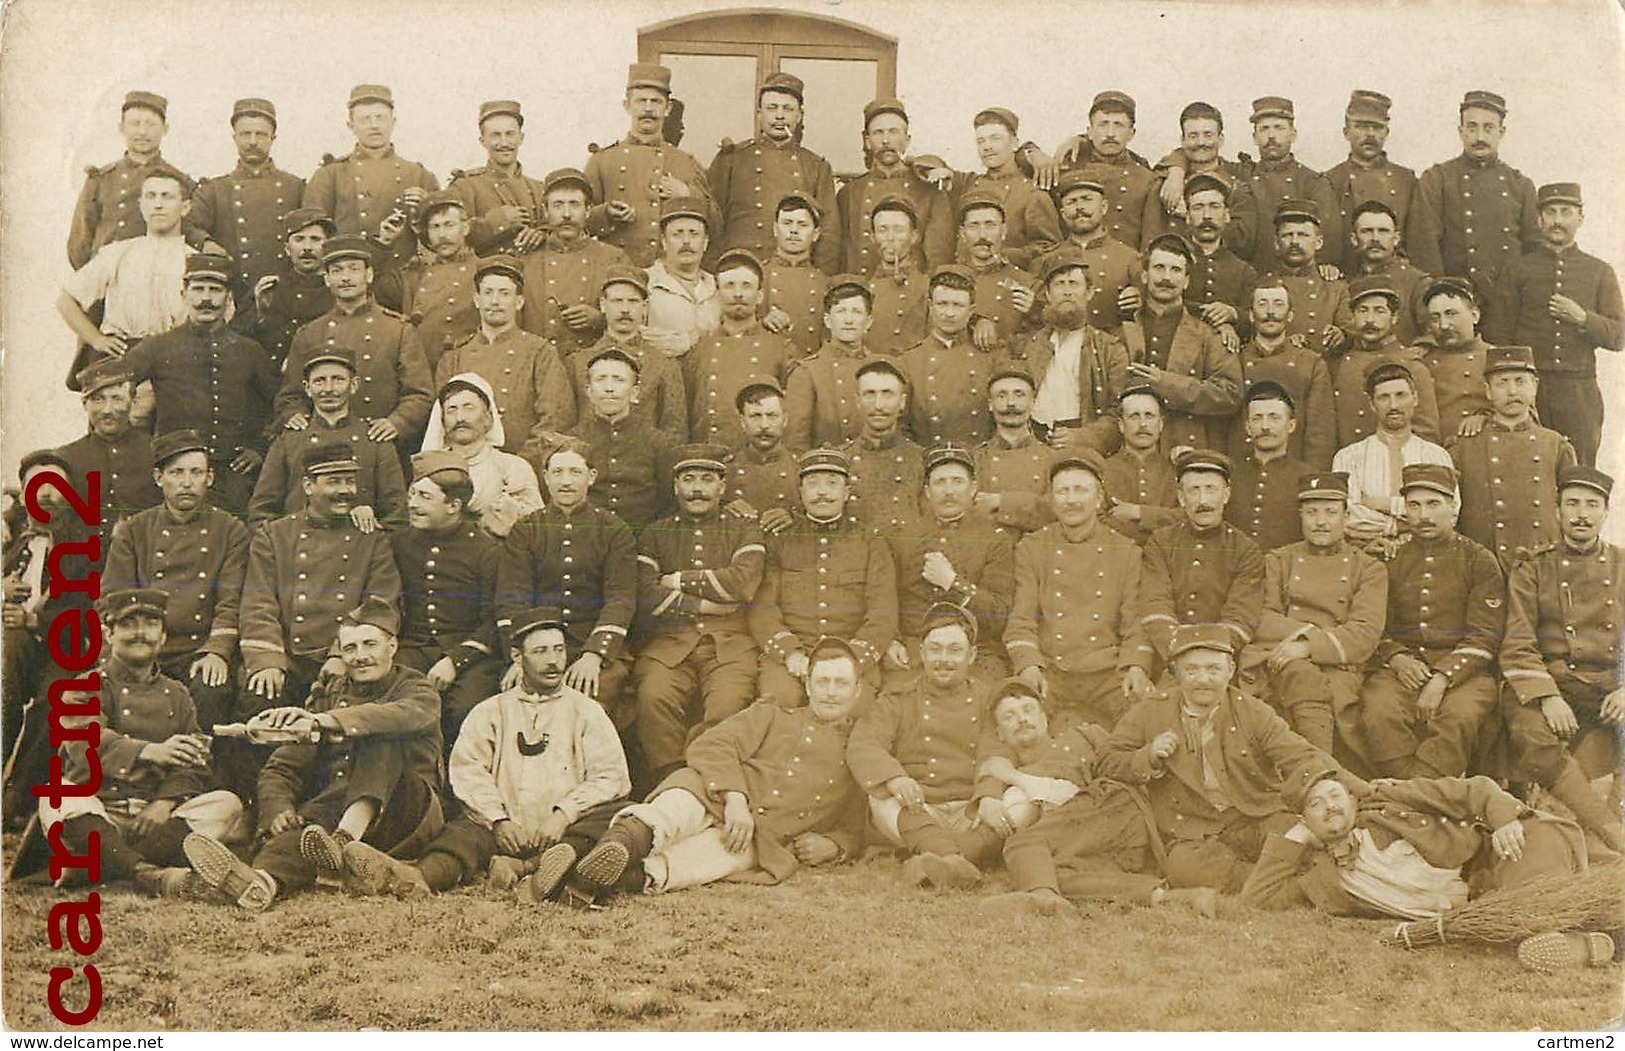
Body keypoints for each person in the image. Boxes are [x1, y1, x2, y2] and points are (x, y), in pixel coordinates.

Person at [340, 608, 632, 903]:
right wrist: (498, 820)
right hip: (501, 830)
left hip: (563, 829)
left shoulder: (586, 711)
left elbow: (610, 775)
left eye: (559, 650)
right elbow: (468, 771)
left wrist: (563, 814)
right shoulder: (491, 711)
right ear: (518, 658)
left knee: (611, 818)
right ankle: (416, 877)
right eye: (541, 651)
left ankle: (528, 867)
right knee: (461, 834)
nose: (554, 660)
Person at [181, 599, 444, 911]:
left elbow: (397, 716)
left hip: (403, 812)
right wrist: (279, 810)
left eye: (370, 645)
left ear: (392, 645)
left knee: (377, 738)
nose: (360, 657)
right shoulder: (329, 694)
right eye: (350, 648)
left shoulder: (417, 688)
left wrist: (326, 721)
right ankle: (260, 883)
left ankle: (345, 840)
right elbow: (283, 767)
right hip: (332, 812)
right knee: (299, 831)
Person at [572, 637, 866, 901]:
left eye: (841, 683)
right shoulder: (772, 715)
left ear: (857, 690)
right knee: (673, 811)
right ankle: (619, 843)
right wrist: (735, 798)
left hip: (760, 838)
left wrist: (835, 845)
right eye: (822, 682)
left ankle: (595, 877)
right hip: (714, 793)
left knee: (691, 863)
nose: (830, 692)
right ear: (807, 685)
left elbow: (857, 825)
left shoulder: (862, 751)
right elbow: (711, 745)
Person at [35, 588, 247, 898]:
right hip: (101, 809)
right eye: (128, 624)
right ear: (108, 634)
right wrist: (151, 751)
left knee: (227, 805)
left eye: (150, 624)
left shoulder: (178, 694)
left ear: (162, 637)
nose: (140, 633)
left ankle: (102, 861)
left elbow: (197, 762)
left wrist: (164, 803)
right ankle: (147, 874)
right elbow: (83, 746)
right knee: (60, 794)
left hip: (155, 820)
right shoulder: (83, 687)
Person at [1098, 623, 1338, 892]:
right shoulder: (1151, 711)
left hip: (1253, 815)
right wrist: (1148, 756)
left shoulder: (1252, 711)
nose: (1203, 679)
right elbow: (1107, 760)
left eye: (1213, 669)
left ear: (1231, 670)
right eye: (1192, 670)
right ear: (1176, 673)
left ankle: (1271, 877)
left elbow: (1301, 755)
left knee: (1297, 834)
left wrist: (1347, 789)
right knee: (1184, 869)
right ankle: (1278, 881)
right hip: (1191, 829)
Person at [976, 679, 1217, 917]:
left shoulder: (1083, 735)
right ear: (999, 734)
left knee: (1023, 843)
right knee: (1049, 873)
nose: (1021, 719)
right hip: (1101, 846)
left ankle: (1043, 900)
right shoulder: (1005, 780)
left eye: (1028, 709)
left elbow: (1097, 777)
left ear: (1045, 718)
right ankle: (1177, 899)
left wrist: (1014, 776)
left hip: (1117, 808)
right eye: (1009, 716)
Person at [1242, 766, 1588, 931]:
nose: (1330, 806)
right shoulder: (1327, 878)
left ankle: (1560, 931)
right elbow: (1260, 897)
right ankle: (1583, 941)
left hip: (1495, 856)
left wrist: (1504, 820)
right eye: (1315, 805)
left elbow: (1474, 789)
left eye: (1334, 795)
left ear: (1351, 798)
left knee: (1535, 882)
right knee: (1527, 919)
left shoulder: (1389, 800)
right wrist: (1298, 838)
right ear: (1304, 819)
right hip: (1478, 905)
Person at [1498, 465, 1625, 854]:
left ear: (1606, 512)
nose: (1581, 514)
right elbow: (1517, 642)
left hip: (1607, 685)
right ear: (1557, 511)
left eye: (1591, 504)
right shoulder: (1533, 567)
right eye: (1572, 504)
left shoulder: (1623, 566)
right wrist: (1547, 697)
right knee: (1530, 733)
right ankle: (1609, 829)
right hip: (1552, 682)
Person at [1357, 463, 1504, 779]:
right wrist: (1396, 659)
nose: (1423, 515)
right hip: (1402, 668)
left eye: (1433, 504)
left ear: (1452, 507)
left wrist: (1443, 678)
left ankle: (1421, 795)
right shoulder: (1391, 558)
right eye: (1414, 505)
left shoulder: (1479, 560)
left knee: (1459, 717)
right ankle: (1405, 790)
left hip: (1465, 672)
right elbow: (1374, 624)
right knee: (1379, 710)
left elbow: (1485, 635)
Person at [632, 443, 765, 789]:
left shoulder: (744, 529)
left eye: (707, 480)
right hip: (670, 643)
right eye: (688, 479)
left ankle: (707, 780)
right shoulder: (655, 533)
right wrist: (704, 605)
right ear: (676, 487)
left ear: (722, 487)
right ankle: (671, 780)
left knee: (728, 704)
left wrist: (677, 580)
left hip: (730, 645)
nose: (697, 488)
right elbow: (644, 594)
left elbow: (742, 585)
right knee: (652, 696)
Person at [105, 430, 252, 739]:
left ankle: (200, 777)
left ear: (210, 478)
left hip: (199, 648)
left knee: (211, 691)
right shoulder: (134, 530)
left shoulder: (231, 530)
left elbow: (231, 600)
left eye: (196, 472)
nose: (187, 483)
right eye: (177, 473)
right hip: (144, 642)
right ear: (159, 477)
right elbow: (113, 596)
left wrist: (217, 651)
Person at [238, 444, 402, 711]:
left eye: (350, 481)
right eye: (333, 482)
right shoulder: (274, 535)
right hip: (287, 657)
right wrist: (267, 660)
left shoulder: (372, 538)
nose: (345, 490)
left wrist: (341, 654)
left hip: (346, 654)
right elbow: (258, 603)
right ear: (308, 485)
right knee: (258, 698)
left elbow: (380, 604)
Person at [847, 608, 1002, 889]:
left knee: (1022, 799)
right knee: (880, 797)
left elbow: (997, 753)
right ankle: (958, 858)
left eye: (955, 650)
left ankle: (942, 860)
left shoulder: (989, 699)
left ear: (972, 655)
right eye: (935, 649)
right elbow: (864, 744)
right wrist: (896, 778)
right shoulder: (897, 699)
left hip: (974, 813)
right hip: (919, 812)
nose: (943, 659)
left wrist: (989, 796)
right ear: (922, 652)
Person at [1239, 472, 1388, 756]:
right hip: (1277, 656)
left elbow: (1365, 633)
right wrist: (1300, 641)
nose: (1321, 521)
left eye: (1331, 512)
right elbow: (1261, 617)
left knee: (1311, 680)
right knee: (1294, 676)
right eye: (1311, 513)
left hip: (1338, 665)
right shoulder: (1278, 560)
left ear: (1346, 516)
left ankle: (1318, 769)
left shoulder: (1368, 568)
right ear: (1301, 517)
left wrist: (1308, 647)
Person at [117, 252, 279, 511]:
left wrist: (258, 449)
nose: (206, 299)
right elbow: (116, 384)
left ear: (228, 298)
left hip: (232, 473)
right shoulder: (157, 347)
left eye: (215, 290)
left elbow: (279, 403)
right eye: (198, 289)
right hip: (174, 472)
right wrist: (139, 447)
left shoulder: (250, 351)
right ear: (184, 295)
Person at [1006, 451, 1153, 729]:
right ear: (1051, 499)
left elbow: (1135, 622)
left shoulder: (1126, 551)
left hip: (1108, 674)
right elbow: (1022, 619)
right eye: (1062, 491)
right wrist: (1028, 665)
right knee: (1020, 724)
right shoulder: (1032, 548)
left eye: (1081, 490)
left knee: (1141, 727)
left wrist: (1136, 665)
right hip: (1052, 672)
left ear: (1099, 499)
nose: (1071, 500)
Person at [496, 440, 638, 728]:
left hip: (591, 643)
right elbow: (512, 598)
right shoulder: (526, 530)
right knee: (520, 707)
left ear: (592, 477)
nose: (566, 482)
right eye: (558, 472)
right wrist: (522, 656)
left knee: (587, 703)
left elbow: (620, 599)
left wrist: (594, 655)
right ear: (545, 477)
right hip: (536, 645)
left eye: (575, 472)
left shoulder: (614, 530)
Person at [1484, 182, 1623, 467]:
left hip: (1579, 390)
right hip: (1531, 389)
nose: (1558, 220)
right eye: (1551, 212)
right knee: (1527, 466)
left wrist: (1583, 318)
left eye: (1566, 212)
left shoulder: (1599, 271)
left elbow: (1619, 336)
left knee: (1579, 468)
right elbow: (1498, 334)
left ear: (1580, 218)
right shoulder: (1518, 268)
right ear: (1539, 219)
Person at [748, 448, 897, 707]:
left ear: (847, 492)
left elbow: (883, 613)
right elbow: (763, 608)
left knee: (856, 708)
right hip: (793, 657)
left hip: (852, 654)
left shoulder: (870, 541)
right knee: (778, 705)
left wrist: (853, 658)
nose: (822, 492)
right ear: (801, 491)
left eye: (832, 483)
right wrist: (790, 653)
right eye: (813, 483)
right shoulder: (780, 540)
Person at [1, 451, 103, 824]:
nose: (46, 495)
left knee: (55, 701)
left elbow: (85, 608)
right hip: (20, 645)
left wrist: (32, 621)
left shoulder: (88, 542)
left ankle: (18, 798)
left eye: (56, 487)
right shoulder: (13, 536)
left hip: (69, 643)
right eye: (37, 487)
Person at [277, 235, 435, 451]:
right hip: (325, 445)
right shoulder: (310, 334)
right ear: (327, 279)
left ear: (368, 275)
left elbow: (419, 393)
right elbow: (291, 394)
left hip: (381, 444)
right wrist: (295, 415)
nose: (345, 278)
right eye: (337, 270)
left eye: (353, 269)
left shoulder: (398, 330)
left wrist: (397, 423)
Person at [391, 450, 504, 752]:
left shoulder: (485, 550)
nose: (413, 504)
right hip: (412, 649)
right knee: (394, 705)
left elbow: (495, 619)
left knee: (466, 710)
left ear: (454, 505)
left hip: (471, 656)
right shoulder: (399, 542)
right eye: (412, 494)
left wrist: (456, 661)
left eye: (425, 497)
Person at [437, 253, 576, 473]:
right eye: (488, 293)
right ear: (476, 300)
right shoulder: (454, 357)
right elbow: (442, 423)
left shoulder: (540, 352)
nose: (494, 301)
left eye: (504, 293)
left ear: (519, 301)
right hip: (465, 473)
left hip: (522, 470)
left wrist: (515, 466)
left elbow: (555, 420)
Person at [887, 444, 1015, 679]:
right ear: (927, 491)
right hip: (915, 650)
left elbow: (998, 615)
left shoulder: (995, 539)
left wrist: (953, 583)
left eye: (957, 481)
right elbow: (883, 600)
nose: (949, 491)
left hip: (975, 652)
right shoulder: (901, 536)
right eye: (940, 482)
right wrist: (892, 640)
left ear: (973, 488)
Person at [58, 166, 195, 385]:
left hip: (175, 364)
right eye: (151, 196)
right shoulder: (117, 252)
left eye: (167, 197)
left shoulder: (194, 259)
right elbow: (66, 301)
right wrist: (97, 339)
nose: (158, 204)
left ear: (185, 207)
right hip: (122, 360)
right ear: (141, 206)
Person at [250, 347, 407, 529]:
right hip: (297, 549)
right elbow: (261, 511)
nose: (328, 389)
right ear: (307, 388)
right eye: (319, 381)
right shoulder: (289, 440)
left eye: (338, 380)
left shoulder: (374, 439)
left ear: (354, 385)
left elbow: (397, 515)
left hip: (359, 549)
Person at [1450, 345, 1577, 566]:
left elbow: (1571, 508)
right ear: (1487, 390)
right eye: (1502, 383)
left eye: (1520, 381)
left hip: (1542, 561)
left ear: (1534, 386)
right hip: (1483, 562)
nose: (1512, 391)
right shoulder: (1464, 446)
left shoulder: (1555, 444)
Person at [1409, 90, 1539, 302]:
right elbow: (1424, 247)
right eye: (1472, 128)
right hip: (1455, 301)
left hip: (1508, 301)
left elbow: (1534, 251)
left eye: (1488, 128)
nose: (1480, 137)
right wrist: (1440, 298)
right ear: (1461, 131)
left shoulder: (1521, 185)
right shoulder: (1437, 179)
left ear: (1501, 132)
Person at [1139, 449, 1265, 668]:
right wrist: (1178, 651)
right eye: (1194, 490)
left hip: (1222, 662)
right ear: (1180, 497)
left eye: (1211, 489)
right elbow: (1155, 604)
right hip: (1169, 658)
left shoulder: (1246, 550)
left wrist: (1208, 658)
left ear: (1226, 495)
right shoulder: (1160, 542)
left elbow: (1241, 616)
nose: (1203, 500)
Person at [584, 64, 716, 268]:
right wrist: (607, 213)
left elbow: (716, 225)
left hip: (671, 275)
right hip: (620, 273)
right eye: (641, 101)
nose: (648, 108)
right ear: (627, 106)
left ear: (668, 109)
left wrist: (687, 194)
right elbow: (579, 221)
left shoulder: (686, 162)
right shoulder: (602, 161)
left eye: (656, 102)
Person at [709, 72, 841, 273]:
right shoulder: (732, 159)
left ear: (799, 115)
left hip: (793, 273)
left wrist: (818, 279)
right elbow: (713, 219)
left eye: (788, 109)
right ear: (760, 114)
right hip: (740, 272)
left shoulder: (816, 166)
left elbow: (829, 233)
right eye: (772, 108)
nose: (779, 116)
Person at [1120, 234, 1240, 452]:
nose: (1166, 277)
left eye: (1175, 270)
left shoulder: (1208, 334)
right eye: (1159, 268)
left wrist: (1166, 383)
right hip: (1129, 450)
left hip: (1185, 445)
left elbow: (1230, 393)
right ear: (1145, 276)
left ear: (1186, 281)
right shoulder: (1123, 329)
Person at [1004, 249, 1131, 453]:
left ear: (1089, 292)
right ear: (1047, 294)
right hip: (1034, 444)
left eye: (1074, 284)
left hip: (1083, 445)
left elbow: (1121, 411)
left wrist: (1082, 437)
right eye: (1059, 284)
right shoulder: (1029, 345)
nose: (1067, 291)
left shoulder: (1110, 349)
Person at [302, 84, 440, 268]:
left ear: (393, 121)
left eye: (380, 118)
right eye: (365, 119)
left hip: (401, 280)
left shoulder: (419, 176)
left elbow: (439, 239)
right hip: (348, 277)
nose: (374, 125)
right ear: (351, 126)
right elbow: (313, 236)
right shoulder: (329, 175)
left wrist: (424, 211)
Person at [188, 97, 306, 305]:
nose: (252, 141)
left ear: (273, 138)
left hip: (284, 295)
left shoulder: (295, 187)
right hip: (234, 294)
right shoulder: (213, 190)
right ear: (234, 138)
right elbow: (189, 225)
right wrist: (206, 243)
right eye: (245, 134)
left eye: (260, 134)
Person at [1331, 361, 1453, 549]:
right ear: (1372, 404)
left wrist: (1380, 503)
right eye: (1384, 397)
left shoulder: (1436, 455)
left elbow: (1450, 514)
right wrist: (1401, 525)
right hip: (1369, 552)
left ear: (1415, 398)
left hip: (1427, 555)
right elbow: (1347, 516)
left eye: (1401, 395)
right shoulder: (1348, 457)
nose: (1393, 405)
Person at [68, 90, 190, 269]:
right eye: (135, 123)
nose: (142, 132)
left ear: (165, 129)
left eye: (150, 124)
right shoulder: (101, 179)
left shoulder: (179, 181)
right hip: (105, 277)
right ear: (121, 127)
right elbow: (80, 241)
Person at [683, 249, 792, 446]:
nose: (738, 294)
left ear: (760, 296)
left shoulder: (780, 347)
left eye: (747, 286)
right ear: (717, 294)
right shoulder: (700, 349)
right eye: (729, 286)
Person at [516, 168, 631, 354]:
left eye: (574, 204)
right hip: (536, 364)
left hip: (595, 369)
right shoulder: (525, 258)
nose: (567, 214)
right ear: (545, 211)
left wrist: (601, 319)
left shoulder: (614, 259)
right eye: (558, 205)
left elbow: (637, 314)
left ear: (587, 211)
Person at [930, 107, 1060, 271]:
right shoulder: (969, 184)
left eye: (995, 138)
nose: (987, 147)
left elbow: (1048, 248)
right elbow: (924, 162)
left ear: (1014, 143)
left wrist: (1001, 256)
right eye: (981, 141)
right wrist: (938, 169)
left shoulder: (1032, 193)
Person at [570, 267, 689, 443]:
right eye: (617, 301)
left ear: (645, 307)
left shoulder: (664, 365)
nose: (625, 309)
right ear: (603, 304)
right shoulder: (577, 362)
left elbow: (675, 433)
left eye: (633, 301)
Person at [420, 374, 544, 538]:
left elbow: (535, 530)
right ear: (442, 420)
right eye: (451, 410)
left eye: (469, 407)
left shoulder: (513, 467)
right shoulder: (429, 470)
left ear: (488, 418)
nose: (460, 418)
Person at [1034, 90, 1163, 249]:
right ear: (1089, 131)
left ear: (1131, 133)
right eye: (1103, 124)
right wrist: (1032, 152)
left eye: (1119, 125)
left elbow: (1150, 243)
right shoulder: (1066, 168)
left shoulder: (1146, 180)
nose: (1110, 134)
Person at [837, 99, 952, 274]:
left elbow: (938, 255)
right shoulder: (851, 193)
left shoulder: (929, 190)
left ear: (907, 140)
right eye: (878, 133)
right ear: (867, 141)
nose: (885, 140)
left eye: (893, 132)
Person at [568, 346, 677, 531]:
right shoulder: (571, 441)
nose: (609, 388)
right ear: (588, 390)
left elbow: (668, 503)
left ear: (634, 393)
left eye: (619, 380)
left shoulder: (658, 443)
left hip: (641, 540)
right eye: (600, 380)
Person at [1232, 281, 1335, 468]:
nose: (1270, 312)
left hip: (1294, 469)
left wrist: (1312, 477)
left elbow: (1320, 432)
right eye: (1262, 304)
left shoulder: (1311, 363)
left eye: (1278, 304)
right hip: (1243, 469)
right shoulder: (1233, 360)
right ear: (1250, 315)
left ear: (1290, 315)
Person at [1332, 274, 1441, 448]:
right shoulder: (1338, 364)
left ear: (1394, 317)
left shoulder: (1412, 365)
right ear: (1352, 317)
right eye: (1362, 310)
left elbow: (1426, 434)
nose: (1369, 319)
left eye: (1379, 311)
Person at [56, 358, 161, 530]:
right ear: (84, 404)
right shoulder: (67, 457)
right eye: (98, 400)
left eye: (117, 399)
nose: (107, 410)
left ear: (133, 401)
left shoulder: (156, 452)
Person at [898, 264, 996, 447]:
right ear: (930, 306)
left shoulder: (990, 357)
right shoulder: (909, 362)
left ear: (971, 310)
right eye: (942, 304)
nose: (949, 313)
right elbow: (902, 426)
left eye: (958, 305)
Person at [229, 208, 339, 369]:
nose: (307, 247)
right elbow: (234, 340)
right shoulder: (270, 287)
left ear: (328, 246)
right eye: (299, 239)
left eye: (315, 239)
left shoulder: (337, 289)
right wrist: (259, 311)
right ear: (287, 249)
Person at [1324, 91, 1418, 278]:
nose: (1370, 134)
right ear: (1346, 132)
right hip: (1348, 278)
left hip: (1396, 279)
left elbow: (1418, 239)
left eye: (1377, 127)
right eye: (1361, 126)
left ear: (1386, 132)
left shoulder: (1406, 180)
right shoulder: (1330, 180)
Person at [784, 276, 878, 449]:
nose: (848, 320)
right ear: (827, 321)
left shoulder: (881, 369)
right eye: (841, 311)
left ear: (868, 322)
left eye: (856, 312)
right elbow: (796, 442)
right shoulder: (807, 372)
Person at [446, 99, 548, 256]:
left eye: (510, 134)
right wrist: (495, 223)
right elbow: (449, 234)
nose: (504, 142)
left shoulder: (539, 188)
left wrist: (542, 234)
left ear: (521, 137)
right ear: (483, 141)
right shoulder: (465, 186)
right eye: (495, 135)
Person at [838, 358, 925, 534]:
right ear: (857, 401)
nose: (878, 405)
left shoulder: (922, 461)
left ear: (902, 402)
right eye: (870, 394)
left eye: (887, 394)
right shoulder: (839, 459)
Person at [972, 366, 1062, 535]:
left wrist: (1001, 502)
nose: (1011, 403)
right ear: (990, 405)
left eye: (1019, 394)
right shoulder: (975, 460)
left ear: (1033, 402)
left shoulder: (1053, 459)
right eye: (1002, 395)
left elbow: (1058, 511)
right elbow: (972, 514)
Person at [1224, 381, 1309, 551]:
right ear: (1247, 427)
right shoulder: (1230, 475)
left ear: (1291, 426)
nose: (1265, 426)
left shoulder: (1306, 477)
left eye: (1274, 417)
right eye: (1257, 418)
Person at [399, 192, 480, 370]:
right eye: (435, 227)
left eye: (449, 225)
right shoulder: (416, 274)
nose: (442, 234)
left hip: (469, 369)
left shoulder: (482, 271)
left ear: (465, 228)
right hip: (425, 370)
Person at [1178, 171, 1256, 347]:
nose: (1207, 215)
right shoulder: (1174, 261)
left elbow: (1255, 318)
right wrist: (1218, 323)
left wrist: (1233, 314)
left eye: (1214, 206)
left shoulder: (1244, 271)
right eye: (1198, 207)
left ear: (1227, 215)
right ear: (1188, 217)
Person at [1262, 199, 1352, 351]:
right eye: (1287, 235)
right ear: (1276, 243)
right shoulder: (1262, 286)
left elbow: (1350, 328)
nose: (1295, 242)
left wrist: (1342, 334)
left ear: (1318, 242)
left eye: (1303, 235)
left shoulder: (1336, 288)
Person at [956, 194, 1039, 350]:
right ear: (962, 233)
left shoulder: (1026, 283)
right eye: (974, 226)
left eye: (990, 225)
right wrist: (975, 321)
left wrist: (1035, 310)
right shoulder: (946, 280)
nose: (982, 235)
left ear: (1004, 230)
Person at [1417, 276, 1493, 442]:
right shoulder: (1423, 363)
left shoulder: (1497, 358)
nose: (1444, 325)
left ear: (1475, 315)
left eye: (1451, 314)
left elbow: (1526, 416)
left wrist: (1488, 417)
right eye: (1435, 318)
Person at [1101, 387, 1180, 545]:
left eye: (1149, 416)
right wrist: (1163, 519)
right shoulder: (1103, 470)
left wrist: (1138, 513)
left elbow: (1189, 518)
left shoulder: (1176, 470)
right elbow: (1098, 521)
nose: (1143, 424)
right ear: (1121, 425)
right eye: (1134, 416)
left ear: (1161, 424)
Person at [643, 197, 721, 356]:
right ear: (664, 242)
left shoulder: (720, 287)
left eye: (694, 234)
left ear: (705, 242)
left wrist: (693, 339)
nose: (686, 241)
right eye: (677, 234)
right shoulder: (644, 282)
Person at [1345, 200, 1429, 345]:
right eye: (1367, 231)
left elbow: (1431, 334)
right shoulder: (1345, 282)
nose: (1375, 238)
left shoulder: (1417, 283)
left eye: (1383, 231)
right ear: (1354, 239)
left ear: (1396, 239)